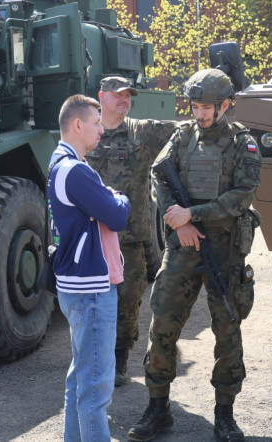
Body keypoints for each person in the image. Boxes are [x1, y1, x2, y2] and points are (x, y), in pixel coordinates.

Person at [130, 69, 262, 442]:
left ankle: (225, 413)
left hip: (225, 247)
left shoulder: (242, 144)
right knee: (163, 323)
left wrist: (195, 215)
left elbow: (242, 195)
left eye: (206, 107)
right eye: (195, 106)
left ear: (225, 105)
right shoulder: (182, 136)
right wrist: (179, 221)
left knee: (227, 328)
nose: (200, 113)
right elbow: (159, 175)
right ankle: (158, 408)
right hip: (184, 244)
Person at [84, 76, 176, 387]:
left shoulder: (142, 131)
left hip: (129, 239)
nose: (124, 100)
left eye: (128, 96)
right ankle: (91, 358)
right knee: (88, 300)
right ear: (102, 96)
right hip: (90, 236)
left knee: (128, 299)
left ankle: (119, 360)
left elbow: (186, 131)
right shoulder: (84, 131)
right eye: (118, 95)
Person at [48, 94, 130, 441]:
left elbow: (105, 209)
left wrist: (107, 198)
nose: (101, 129)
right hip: (91, 289)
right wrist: (118, 197)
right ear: (77, 125)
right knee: (95, 389)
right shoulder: (77, 170)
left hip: (77, 286)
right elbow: (117, 214)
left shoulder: (61, 162)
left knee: (80, 380)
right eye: (96, 123)